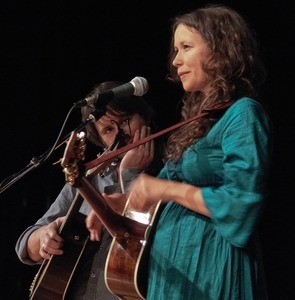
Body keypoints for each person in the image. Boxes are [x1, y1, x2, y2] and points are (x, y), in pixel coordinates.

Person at [88, 4, 273, 300]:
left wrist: (166, 189)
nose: (175, 61)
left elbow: (240, 205)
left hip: (211, 269)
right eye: (176, 50)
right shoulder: (198, 123)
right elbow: (154, 201)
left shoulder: (244, 114)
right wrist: (114, 207)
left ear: (221, 50)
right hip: (174, 269)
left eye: (186, 47)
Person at [15, 80, 163, 299]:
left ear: (145, 117)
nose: (121, 133)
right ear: (100, 140)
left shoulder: (167, 171)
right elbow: (25, 248)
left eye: (126, 120)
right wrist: (44, 236)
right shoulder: (88, 178)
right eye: (108, 130)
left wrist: (130, 174)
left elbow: (141, 237)